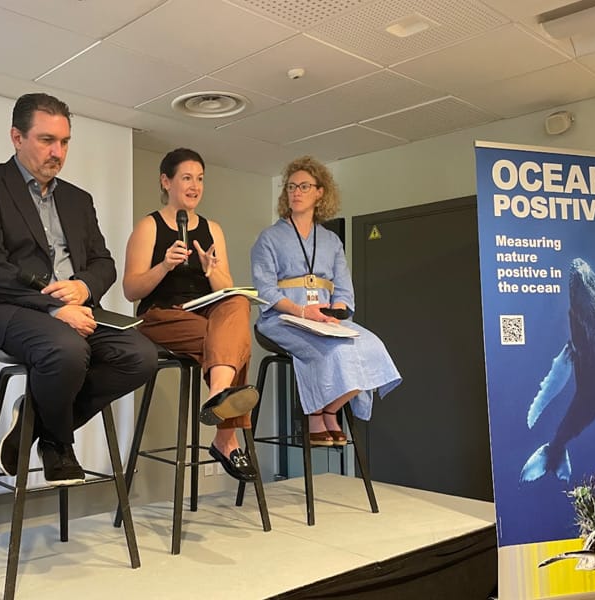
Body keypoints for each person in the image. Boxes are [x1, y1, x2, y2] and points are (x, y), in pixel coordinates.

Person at [0, 93, 157, 486]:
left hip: (76, 308)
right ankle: (58, 445)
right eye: (47, 140)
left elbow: (104, 263)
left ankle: (37, 421)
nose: (58, 152)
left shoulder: (78, 199)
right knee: (67, 349)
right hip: (8, 310)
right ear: (17, 137)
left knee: (141, 357)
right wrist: (53, 307)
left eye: (65, 142)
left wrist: (83, 286)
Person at [123, 147, 260, 482]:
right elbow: (131, 289)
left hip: (204, 313)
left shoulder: (213, 229)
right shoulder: (149, 226)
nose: (195, 186)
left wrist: (212, 270)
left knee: (238, 303)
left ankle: (217, 395)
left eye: (200, 179)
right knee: (234, 344)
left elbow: (225, 289)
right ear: (166, 181)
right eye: (187, 178)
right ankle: (226, 438)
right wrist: (164, 266)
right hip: (162, 315)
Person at [250, 156, 401, 445]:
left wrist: (337, 312)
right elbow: (265, 290)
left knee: (372, 347)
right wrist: (302, 312)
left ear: (320, 192)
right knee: (333, 351)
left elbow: (343, 290)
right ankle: (315, 416)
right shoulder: (269, 238)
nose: (296, 192)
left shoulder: (331, 241)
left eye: (304, 186)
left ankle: (331, 409)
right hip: (282, 318)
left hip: (324, 319)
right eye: (291, 186)